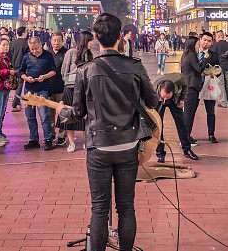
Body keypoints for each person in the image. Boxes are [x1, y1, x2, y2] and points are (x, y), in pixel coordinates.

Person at [55, 13, 157, 251]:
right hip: (128, 145)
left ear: (96, 38)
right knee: (127, 208)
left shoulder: (85, 70)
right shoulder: (135, 66)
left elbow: (78, 112)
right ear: (120, 36)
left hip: (99, 146)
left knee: (99, 209)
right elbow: (152, 102)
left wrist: (62, 112)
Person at [19, 36, 57, 150]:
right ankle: (34, 139)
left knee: (44, 116)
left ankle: (48, 139)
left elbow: (53, 71)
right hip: (28, 90)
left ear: (41, 45)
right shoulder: (27, 56)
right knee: (30, 116)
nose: (34, 51)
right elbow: (20, 71)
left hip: (42, 89)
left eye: (36, 48)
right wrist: (26, 78)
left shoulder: (48, 55)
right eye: (32, 49)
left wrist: (44, 77)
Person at [59, 32, 93, 153]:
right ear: (85, 41)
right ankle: (71, 143)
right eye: (90, 41)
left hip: (83, 89)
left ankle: (86, 141)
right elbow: (64, 70)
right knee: (69, 116)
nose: (92, 43)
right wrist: (71, 80)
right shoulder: (70, 53)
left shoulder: (89, 55)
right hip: (70, 88)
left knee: (85, 116)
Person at [154, 71, 198, 162]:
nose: (165, 100)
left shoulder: (180, 79)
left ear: (173, 91)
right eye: (164, 97)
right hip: (158, 102)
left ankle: (187, 150)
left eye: (167, 97)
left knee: (181, 124)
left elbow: (186, 85)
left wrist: (182, 99)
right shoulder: (154, 89)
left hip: (174, 101)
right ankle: (160, 154)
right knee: (158, 126)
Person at [0, 37, 15, 147]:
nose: (6, 47)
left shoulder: (6, 56)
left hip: (5, 87)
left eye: (7, 45)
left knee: (2, 112)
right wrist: (8, 71)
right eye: (3, 45)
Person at [48, 32, 68, 146]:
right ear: (51, 41)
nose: (56, 43)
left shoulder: (66, 53)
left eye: (58, 40)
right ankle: (51, 134)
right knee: (49, 115)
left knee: (63, 114)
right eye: (54, 40)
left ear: (62, 41)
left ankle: (62, 136)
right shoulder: (47, 54)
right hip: (49, 88)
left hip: (61, 89)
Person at [212, 31, 228, 108]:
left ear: (218, 36)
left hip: (219, 67)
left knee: (221, 85)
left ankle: (223, 102)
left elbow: (213, 58)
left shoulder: (215, 46)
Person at [9, 27, 29, 111]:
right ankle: (14, 105)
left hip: (13, 67)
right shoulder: (25, 43)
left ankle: (18, 103)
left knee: (16, 85)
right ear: (23, 33)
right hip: (22, 68)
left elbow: (9, 54)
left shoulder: (12, 43)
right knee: (20, 86)